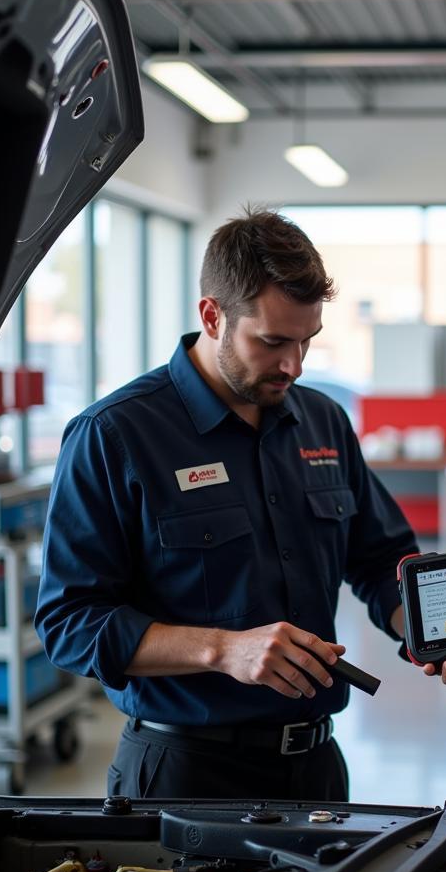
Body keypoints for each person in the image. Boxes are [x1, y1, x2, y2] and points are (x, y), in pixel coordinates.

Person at [35, 207, 423, 800]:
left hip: (318, 770)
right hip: (185, 774)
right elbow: (70, 624)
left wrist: (431, 629)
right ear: (212, 316)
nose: (293, 364)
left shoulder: (323, 419)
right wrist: (223, 649)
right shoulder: (114, 434)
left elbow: (380, 560)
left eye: (306, 341)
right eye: (272, 342)